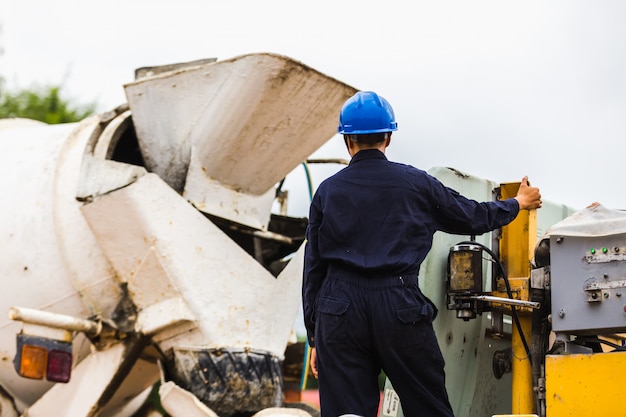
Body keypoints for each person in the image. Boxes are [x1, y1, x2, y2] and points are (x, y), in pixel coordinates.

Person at [302, 91, 542, 417]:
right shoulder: (416, 184)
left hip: (339, 310)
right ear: (388, 137)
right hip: (398, 303)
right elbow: (472, 215)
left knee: (346, 412)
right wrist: (518, 203)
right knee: (428, 407)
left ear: (348, 140)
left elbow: (313, 267)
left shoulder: (327, 192)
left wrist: (316, 336)